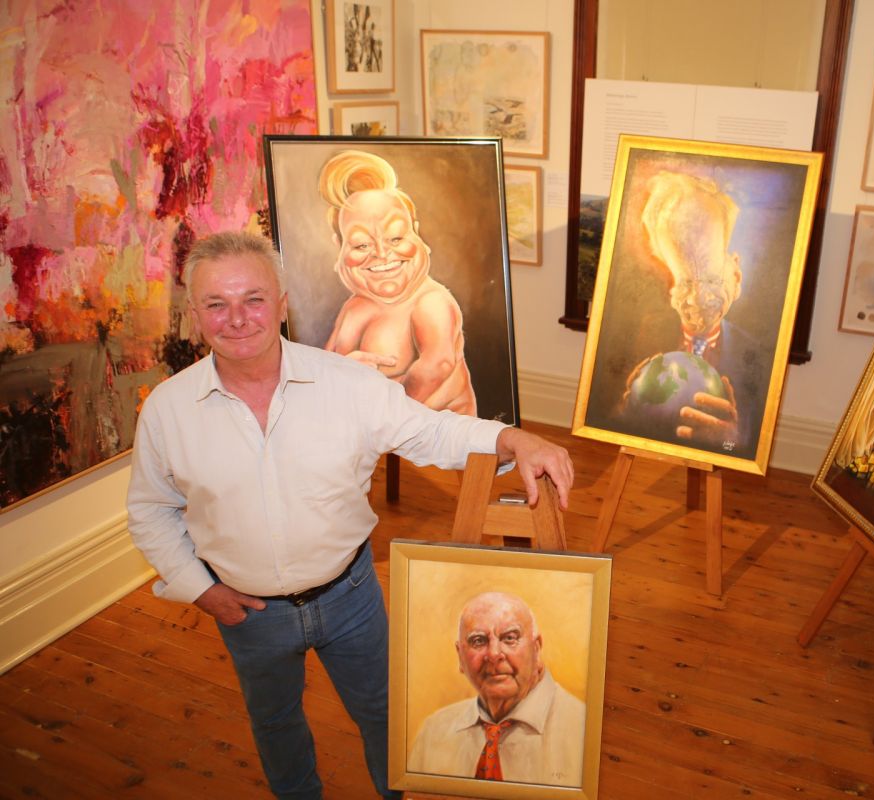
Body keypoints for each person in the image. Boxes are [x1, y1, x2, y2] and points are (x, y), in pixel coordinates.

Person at [125, 232, 574, 800]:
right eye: (217, 304)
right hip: (247, 614)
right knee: (275, 724)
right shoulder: (168, 410)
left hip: (351, 598)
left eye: (254, 299)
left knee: (384, 715)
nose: (237, 318)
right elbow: (149, 512)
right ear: (196, 314)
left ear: (282, 302)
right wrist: (199, 589)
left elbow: (433, 431)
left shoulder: (349, 385)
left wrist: (511, 437)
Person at [320, 149, 477, 415]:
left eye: (395, 238)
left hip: (433, 442)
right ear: (339, 246)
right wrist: (342, 372)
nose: (382, 254)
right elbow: (325, 363)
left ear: (414, 232)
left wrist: (382, 407)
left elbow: (437, 365)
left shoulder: (430, 301)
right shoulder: (355, 306)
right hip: (368, 436)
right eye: (361, 244)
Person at [623, 170, 758, 450]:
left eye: (710, 279)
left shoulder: (758, 359)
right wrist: (626, 416)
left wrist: (730, 444)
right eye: (685, 282)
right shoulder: (636, 338)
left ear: (736, 275)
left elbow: (748, 444)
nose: (697, 299)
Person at [407, 592, 586, 787]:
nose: (493, 654)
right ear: (460, 656)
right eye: (478, 641)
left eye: (509, 638)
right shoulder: (433, 732)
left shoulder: (583, 731)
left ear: (537, 649)